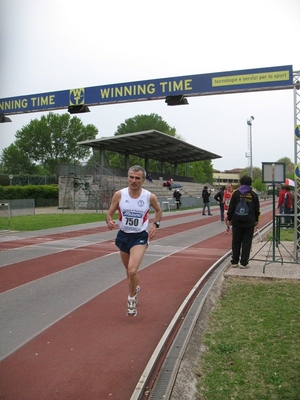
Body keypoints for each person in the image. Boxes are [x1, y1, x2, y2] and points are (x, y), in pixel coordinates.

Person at [106, 165, 162, 317]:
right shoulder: (119, 195)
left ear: (143, 180)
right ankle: (135, 287)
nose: (134, 180)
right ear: (128, 178)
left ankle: (131, 299)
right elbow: (109, 214)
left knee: (132, 270)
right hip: (124, 236)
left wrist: (155, 224)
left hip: (139, 236)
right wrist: (109, 222)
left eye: (137, 178)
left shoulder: (149, 197)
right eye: (131, 177)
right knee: (129, 273)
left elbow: (158, 210)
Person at [227, 175, 260, 269]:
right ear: (250, 183)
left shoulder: (235, 193)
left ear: (241, 182)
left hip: (237, 221)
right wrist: (256, 219)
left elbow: (231, 207)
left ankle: (234, 261)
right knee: (246, 242)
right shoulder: (254, 194)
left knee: (236, 241)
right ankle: (244, 262)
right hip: (249, 221)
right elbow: (256, 208)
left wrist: (229, 218)